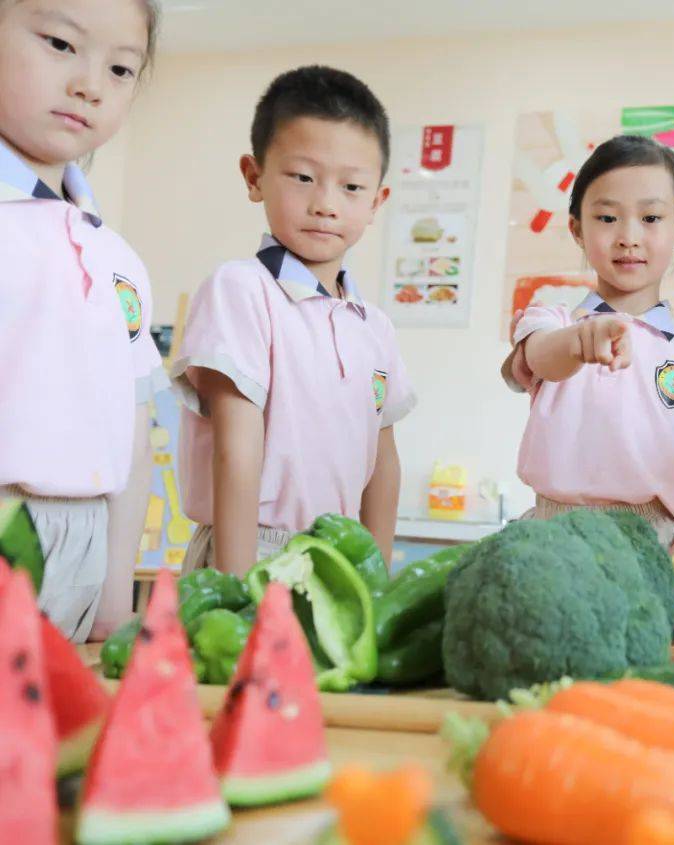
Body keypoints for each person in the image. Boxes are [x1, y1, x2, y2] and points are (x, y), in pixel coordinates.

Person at [173, 65, 414, 576]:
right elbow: (237, 452)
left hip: (341, 559)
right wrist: (235, 589)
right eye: (303, 178)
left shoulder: (374, 326)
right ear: (254, 176)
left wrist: (376, 581)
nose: (326, 204)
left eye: (351, 187)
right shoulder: (241, 288)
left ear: (377, 202)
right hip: (252, 553)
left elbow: (383, 465)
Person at [0, 0, 165, 641]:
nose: (90, 85)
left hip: (86, 542)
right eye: (61, 45)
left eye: (122, 69)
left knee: (61, 738)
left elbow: (131, 432)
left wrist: (115, 601)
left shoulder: (118, 257)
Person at [503, 135, 674, 551]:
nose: (628, 237)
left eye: (651, 218)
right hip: (548, 534)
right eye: (607, 218)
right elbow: (541, 358)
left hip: (652, 542)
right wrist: (581, 339)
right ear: (577, 229)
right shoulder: (551, 321)